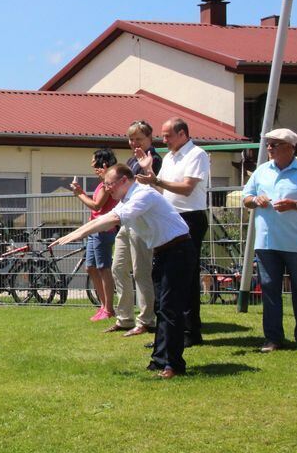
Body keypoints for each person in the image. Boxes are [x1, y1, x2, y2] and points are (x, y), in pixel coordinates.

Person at [53, 164, 193, 379]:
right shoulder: (128, 199)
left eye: (110, 184)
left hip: (178, 250)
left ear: (125, 181)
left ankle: (174, 365)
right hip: (164, 252)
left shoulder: (143, 195)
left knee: (170, 308)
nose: (107, 189)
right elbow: (103, 217)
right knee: (161, 308)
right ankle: (159, 360)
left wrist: (79, 235)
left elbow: (113, 220)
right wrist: (76, 232)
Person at [242, 128, 297, 354]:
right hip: (266, 242)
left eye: (274, 144)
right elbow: (246, 198)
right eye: (268, 144)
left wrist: (294, 204)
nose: (269, 148)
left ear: (290, 148)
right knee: (269, 292)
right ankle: (273, 338)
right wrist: (255, 199)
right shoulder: (261, 172)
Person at [135, 117, 210, 346]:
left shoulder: (197, 154)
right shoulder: (168, 157)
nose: (163, 139)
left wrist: (157, 180)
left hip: (190, 218)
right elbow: (162, 188)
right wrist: (150, 177)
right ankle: (167, 334)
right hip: (170, 218)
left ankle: (190, 332)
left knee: (186, 278)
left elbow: (187, 188)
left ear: (182, 134)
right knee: (165, 277)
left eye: (167, 135)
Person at [70, 149, 119, 322]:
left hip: (103, 230)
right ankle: (103, 306)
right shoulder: (102, 183)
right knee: (90, 267)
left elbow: (97, 206)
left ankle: (109, 308)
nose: (93, 167)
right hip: (95, 230)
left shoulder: (107, 184)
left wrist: (79, 194)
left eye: (95, 164)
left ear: (103, 164)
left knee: (103, 268)